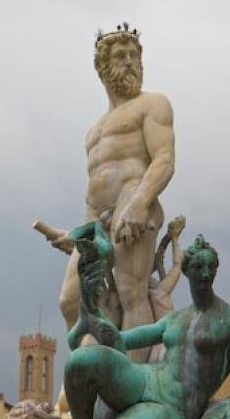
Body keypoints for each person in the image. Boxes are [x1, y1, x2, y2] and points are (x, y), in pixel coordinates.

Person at [55, 233, 230, 419]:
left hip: (170, 407)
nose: (205, 274)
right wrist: (90, 316)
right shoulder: (176, 319)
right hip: (144, 378)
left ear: (216, 270)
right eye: (198, 267)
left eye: (210, 267)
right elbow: (122, 341)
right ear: (186, 271)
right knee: (82, 360)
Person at [54, 23, 175, 363]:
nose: (131, 61)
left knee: (130, 293)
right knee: (70, 300)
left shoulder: (153, 104)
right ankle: (92, 371)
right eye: (121, 56)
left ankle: (132, 388)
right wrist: (76, 236)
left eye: (135, 55)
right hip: (96, 221)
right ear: (102, 67)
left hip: (134, 198)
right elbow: (92, 194)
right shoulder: (93, 131)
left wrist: (140, 203)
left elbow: (164, 159)